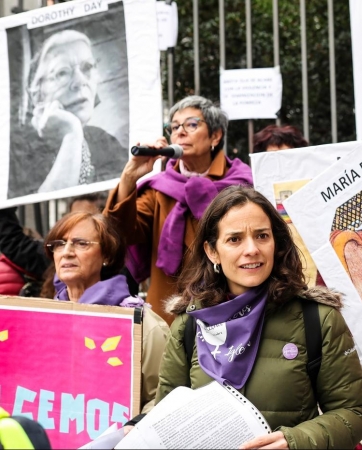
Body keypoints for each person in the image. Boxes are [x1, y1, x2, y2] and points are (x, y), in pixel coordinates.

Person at [142, 186, 362, 449]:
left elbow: (354, 411)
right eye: (234, 239)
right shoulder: (189, 324)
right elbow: (166, 416)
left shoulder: (318, 319)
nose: (252, 249)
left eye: (262, 236)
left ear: (276, 243)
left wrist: (295, 441)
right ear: (212, 251)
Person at [104, 95, 252, 323]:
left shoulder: (243, 185)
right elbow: (118, 232)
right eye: (174, 127)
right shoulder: (159, 188)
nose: (180, 132)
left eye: (191, 124)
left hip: (229, 310)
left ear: (215, 135)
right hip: (168, 313)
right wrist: (129, 177)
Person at [43, 212, 168, 412]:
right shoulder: (42, 320)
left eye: (81, 243)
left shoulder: (141, 324)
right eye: (59, 243)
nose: (66, 252)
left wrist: (130, 430)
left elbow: (162, 396)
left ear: (107, 256)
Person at [9, 30, 127, 198]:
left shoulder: (104, 141)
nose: (79, 82)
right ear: (37, 94)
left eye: (87, 67)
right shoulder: (19, 150)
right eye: (62, 73)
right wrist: (71, 132)